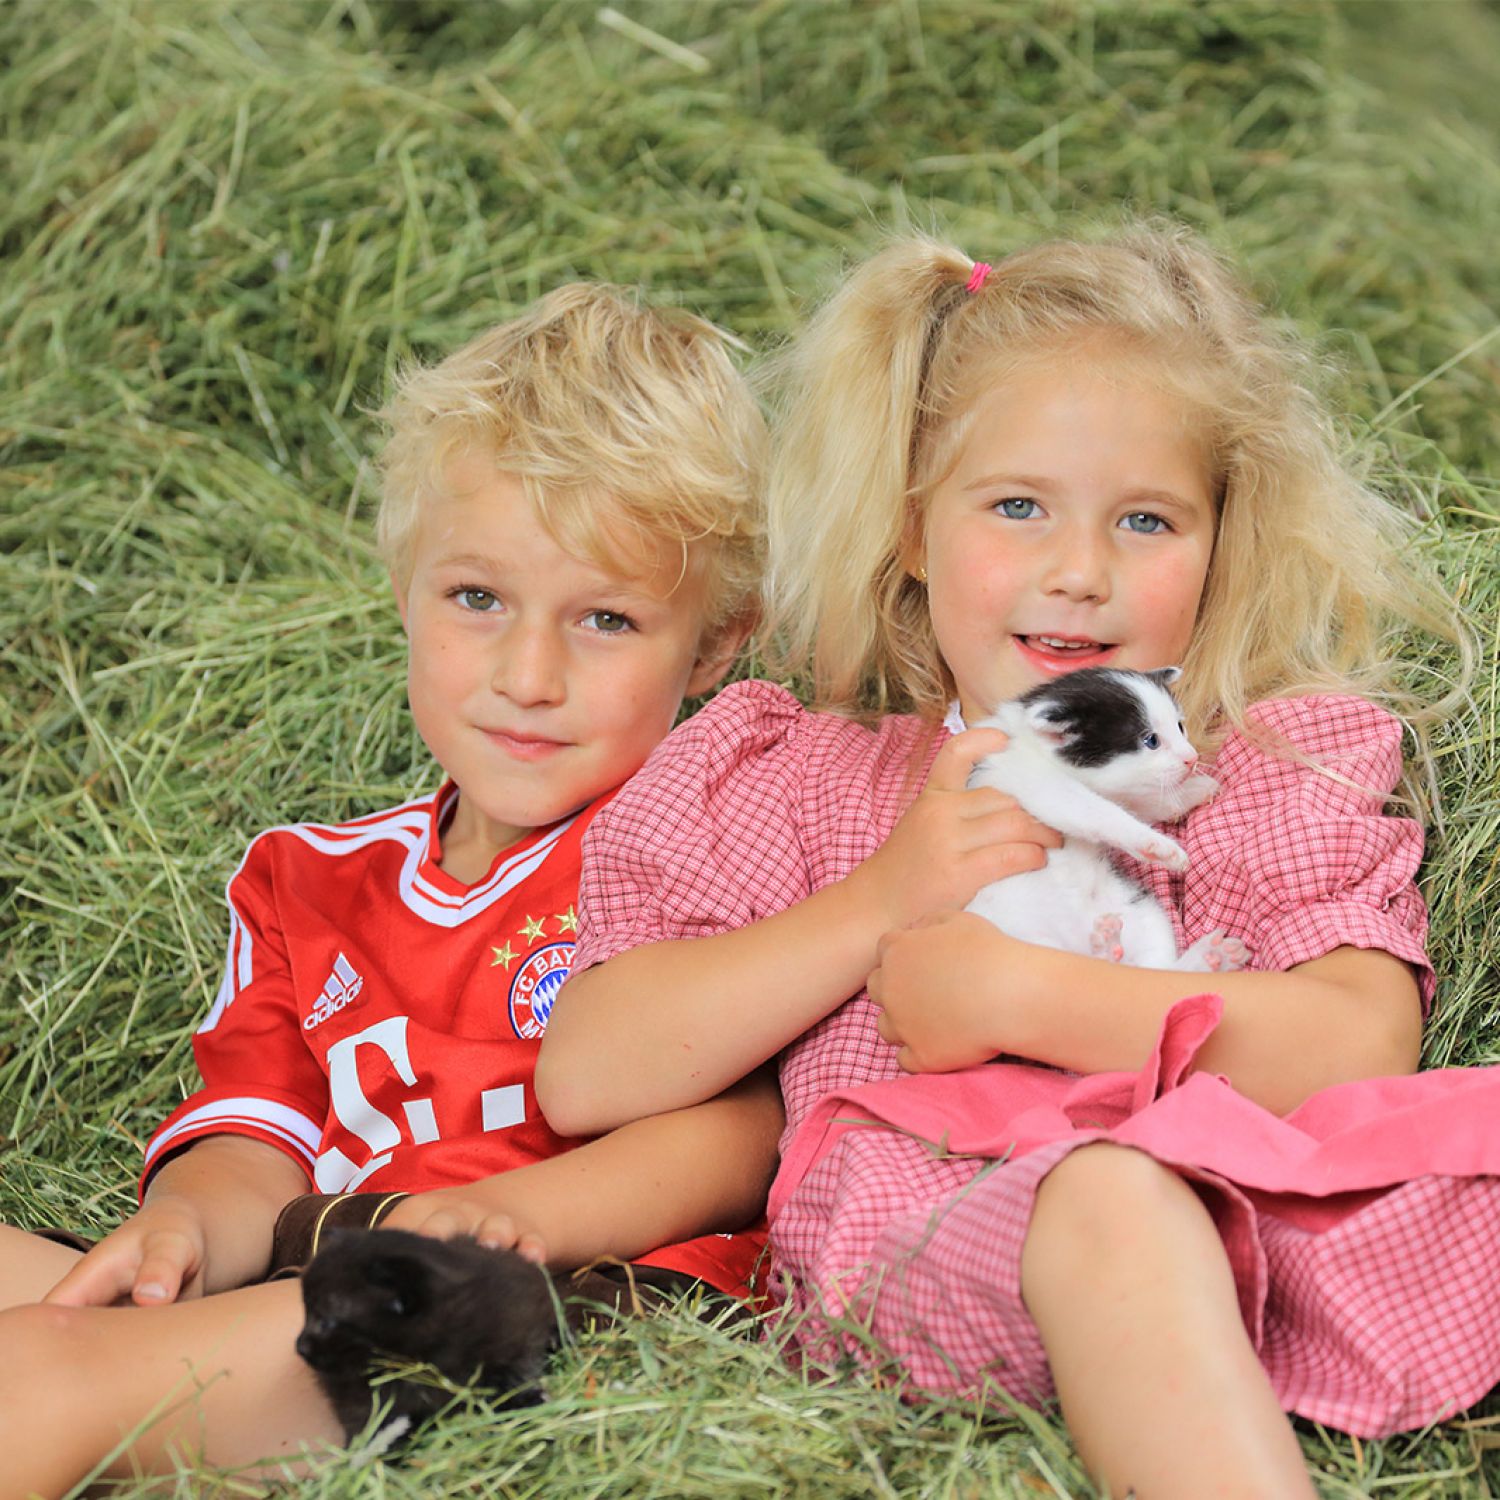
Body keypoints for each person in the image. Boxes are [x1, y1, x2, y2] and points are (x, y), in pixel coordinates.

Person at [535, 226, 1496, 1500]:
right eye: (1018, 506)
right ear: (916, 527)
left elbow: (1351, 1040)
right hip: (947, 1207)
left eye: (1146, 519)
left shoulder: (1259, 760)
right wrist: (882, 901)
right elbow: (593, 1071)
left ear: (1222, 539)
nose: (1080, 571)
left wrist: (1021, 1000)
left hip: (1256, 1192)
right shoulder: (809, 777)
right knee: (1112, 1203)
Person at [0, 283, 778, 1495]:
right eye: (478, 598)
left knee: (42, 1377)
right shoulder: (306, 880)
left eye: (608, 620)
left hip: (545, 1304)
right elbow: (261, 1128)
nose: (529, 675)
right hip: (321, 1272)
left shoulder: (706, 839)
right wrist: (189, 1227)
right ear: (404, 576)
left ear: (720, 641)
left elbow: (744, 1133)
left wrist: (504, 1220)